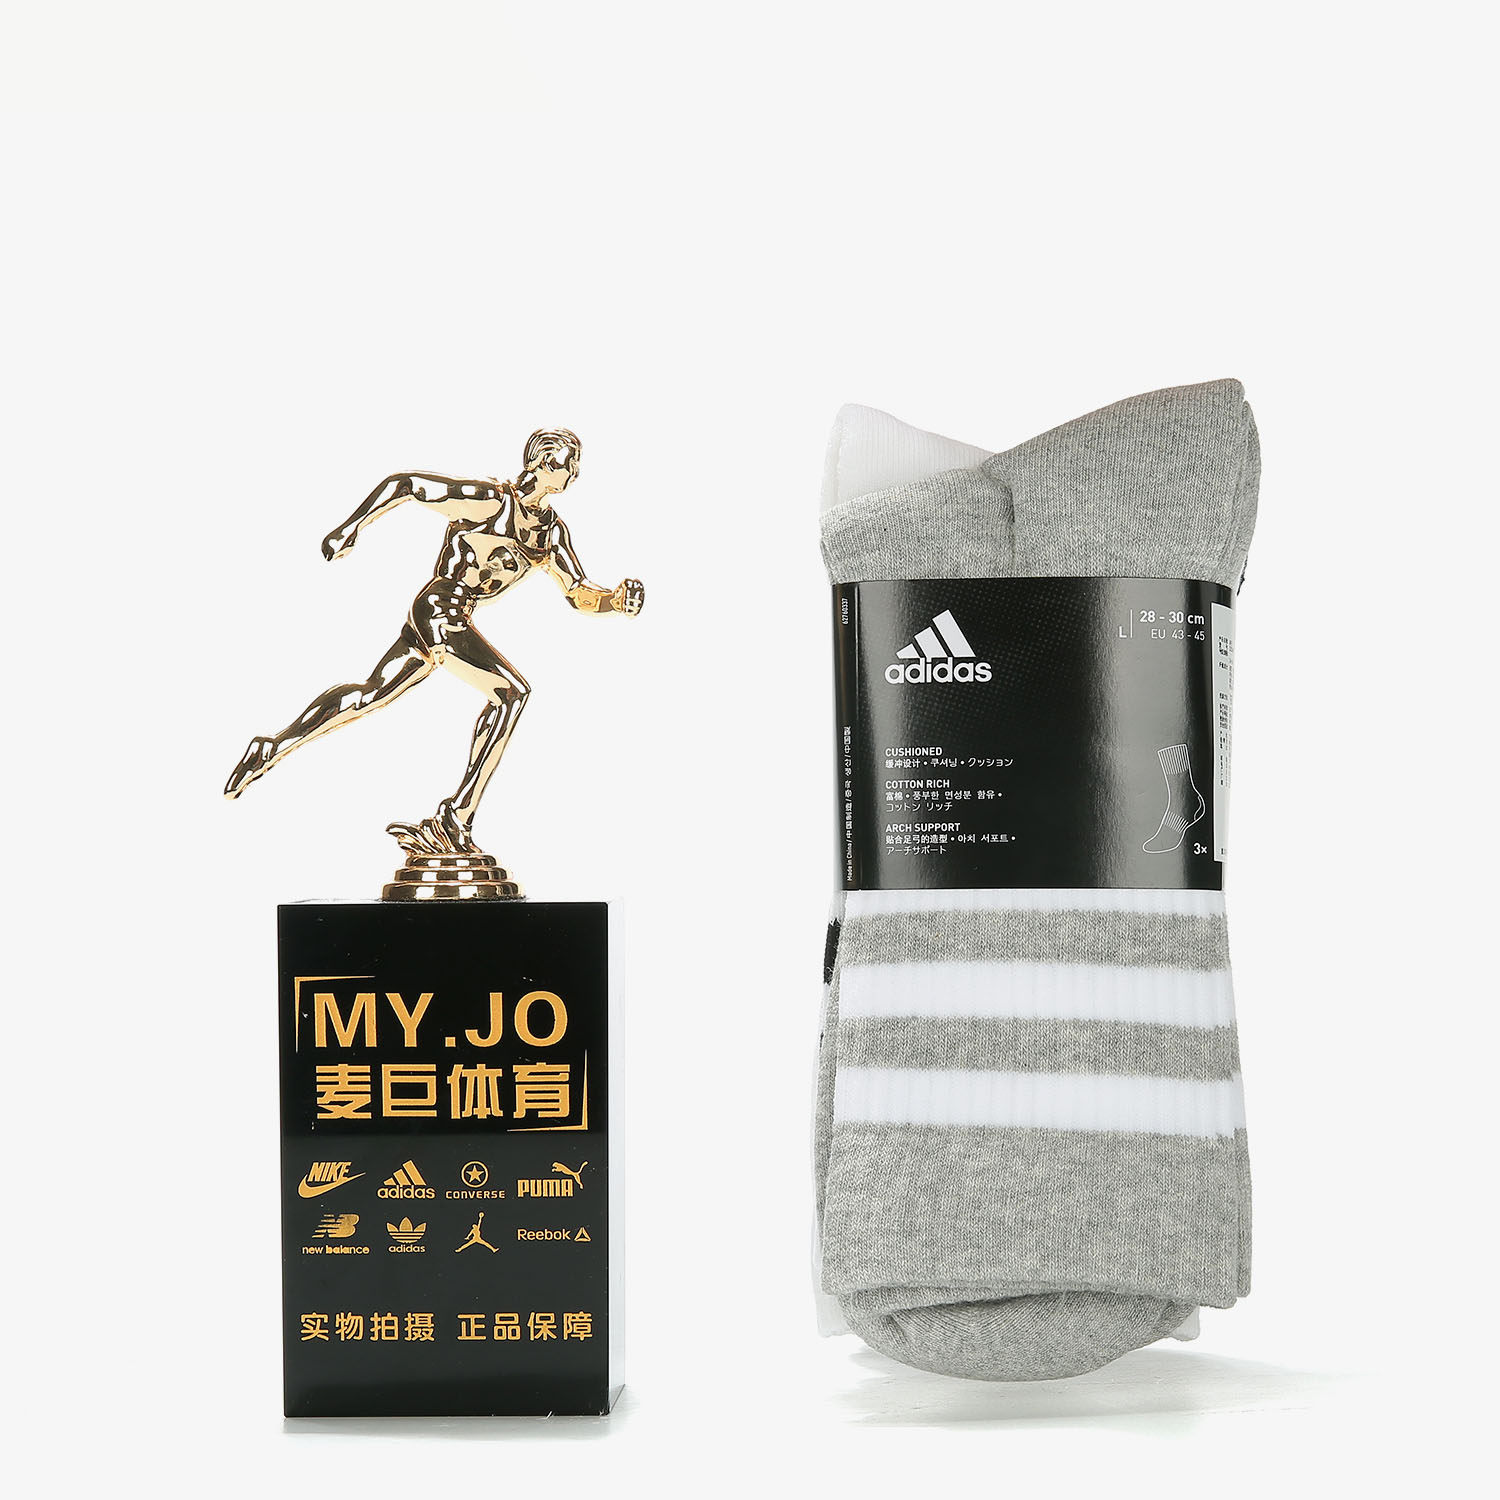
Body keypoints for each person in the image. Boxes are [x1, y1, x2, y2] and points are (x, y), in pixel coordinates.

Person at [224, 429, 643, 852]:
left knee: (370, 694)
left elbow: (578, 592)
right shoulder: (491, 501)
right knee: (511, 694)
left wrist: (614, 600)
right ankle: (457, 816)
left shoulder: (550, 534)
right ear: (543, 462)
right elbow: (405, 484)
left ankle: (271, 747)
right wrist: (349, 528)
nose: (575, 472)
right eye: (569, 463)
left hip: (454, 617)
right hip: (440, 608)